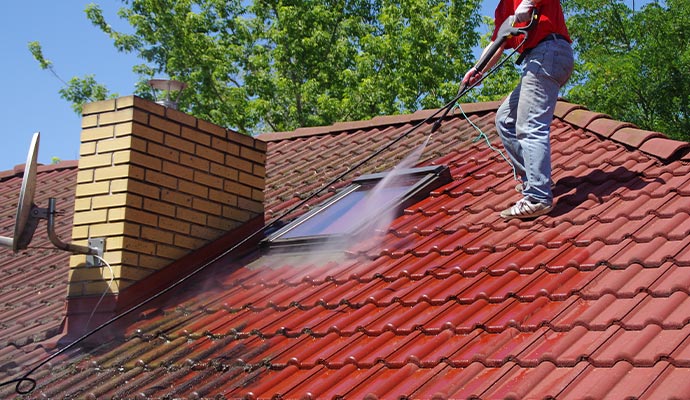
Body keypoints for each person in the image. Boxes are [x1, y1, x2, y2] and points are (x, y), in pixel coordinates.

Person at [463, 0, 574, 219]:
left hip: (548, 51)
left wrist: (529, 3)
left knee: (530, 124)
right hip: (539, 58)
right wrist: (478, 69)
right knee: (505, 119)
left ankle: (538, 197)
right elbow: (499, 43)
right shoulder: (503, 8)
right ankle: (535, 178)